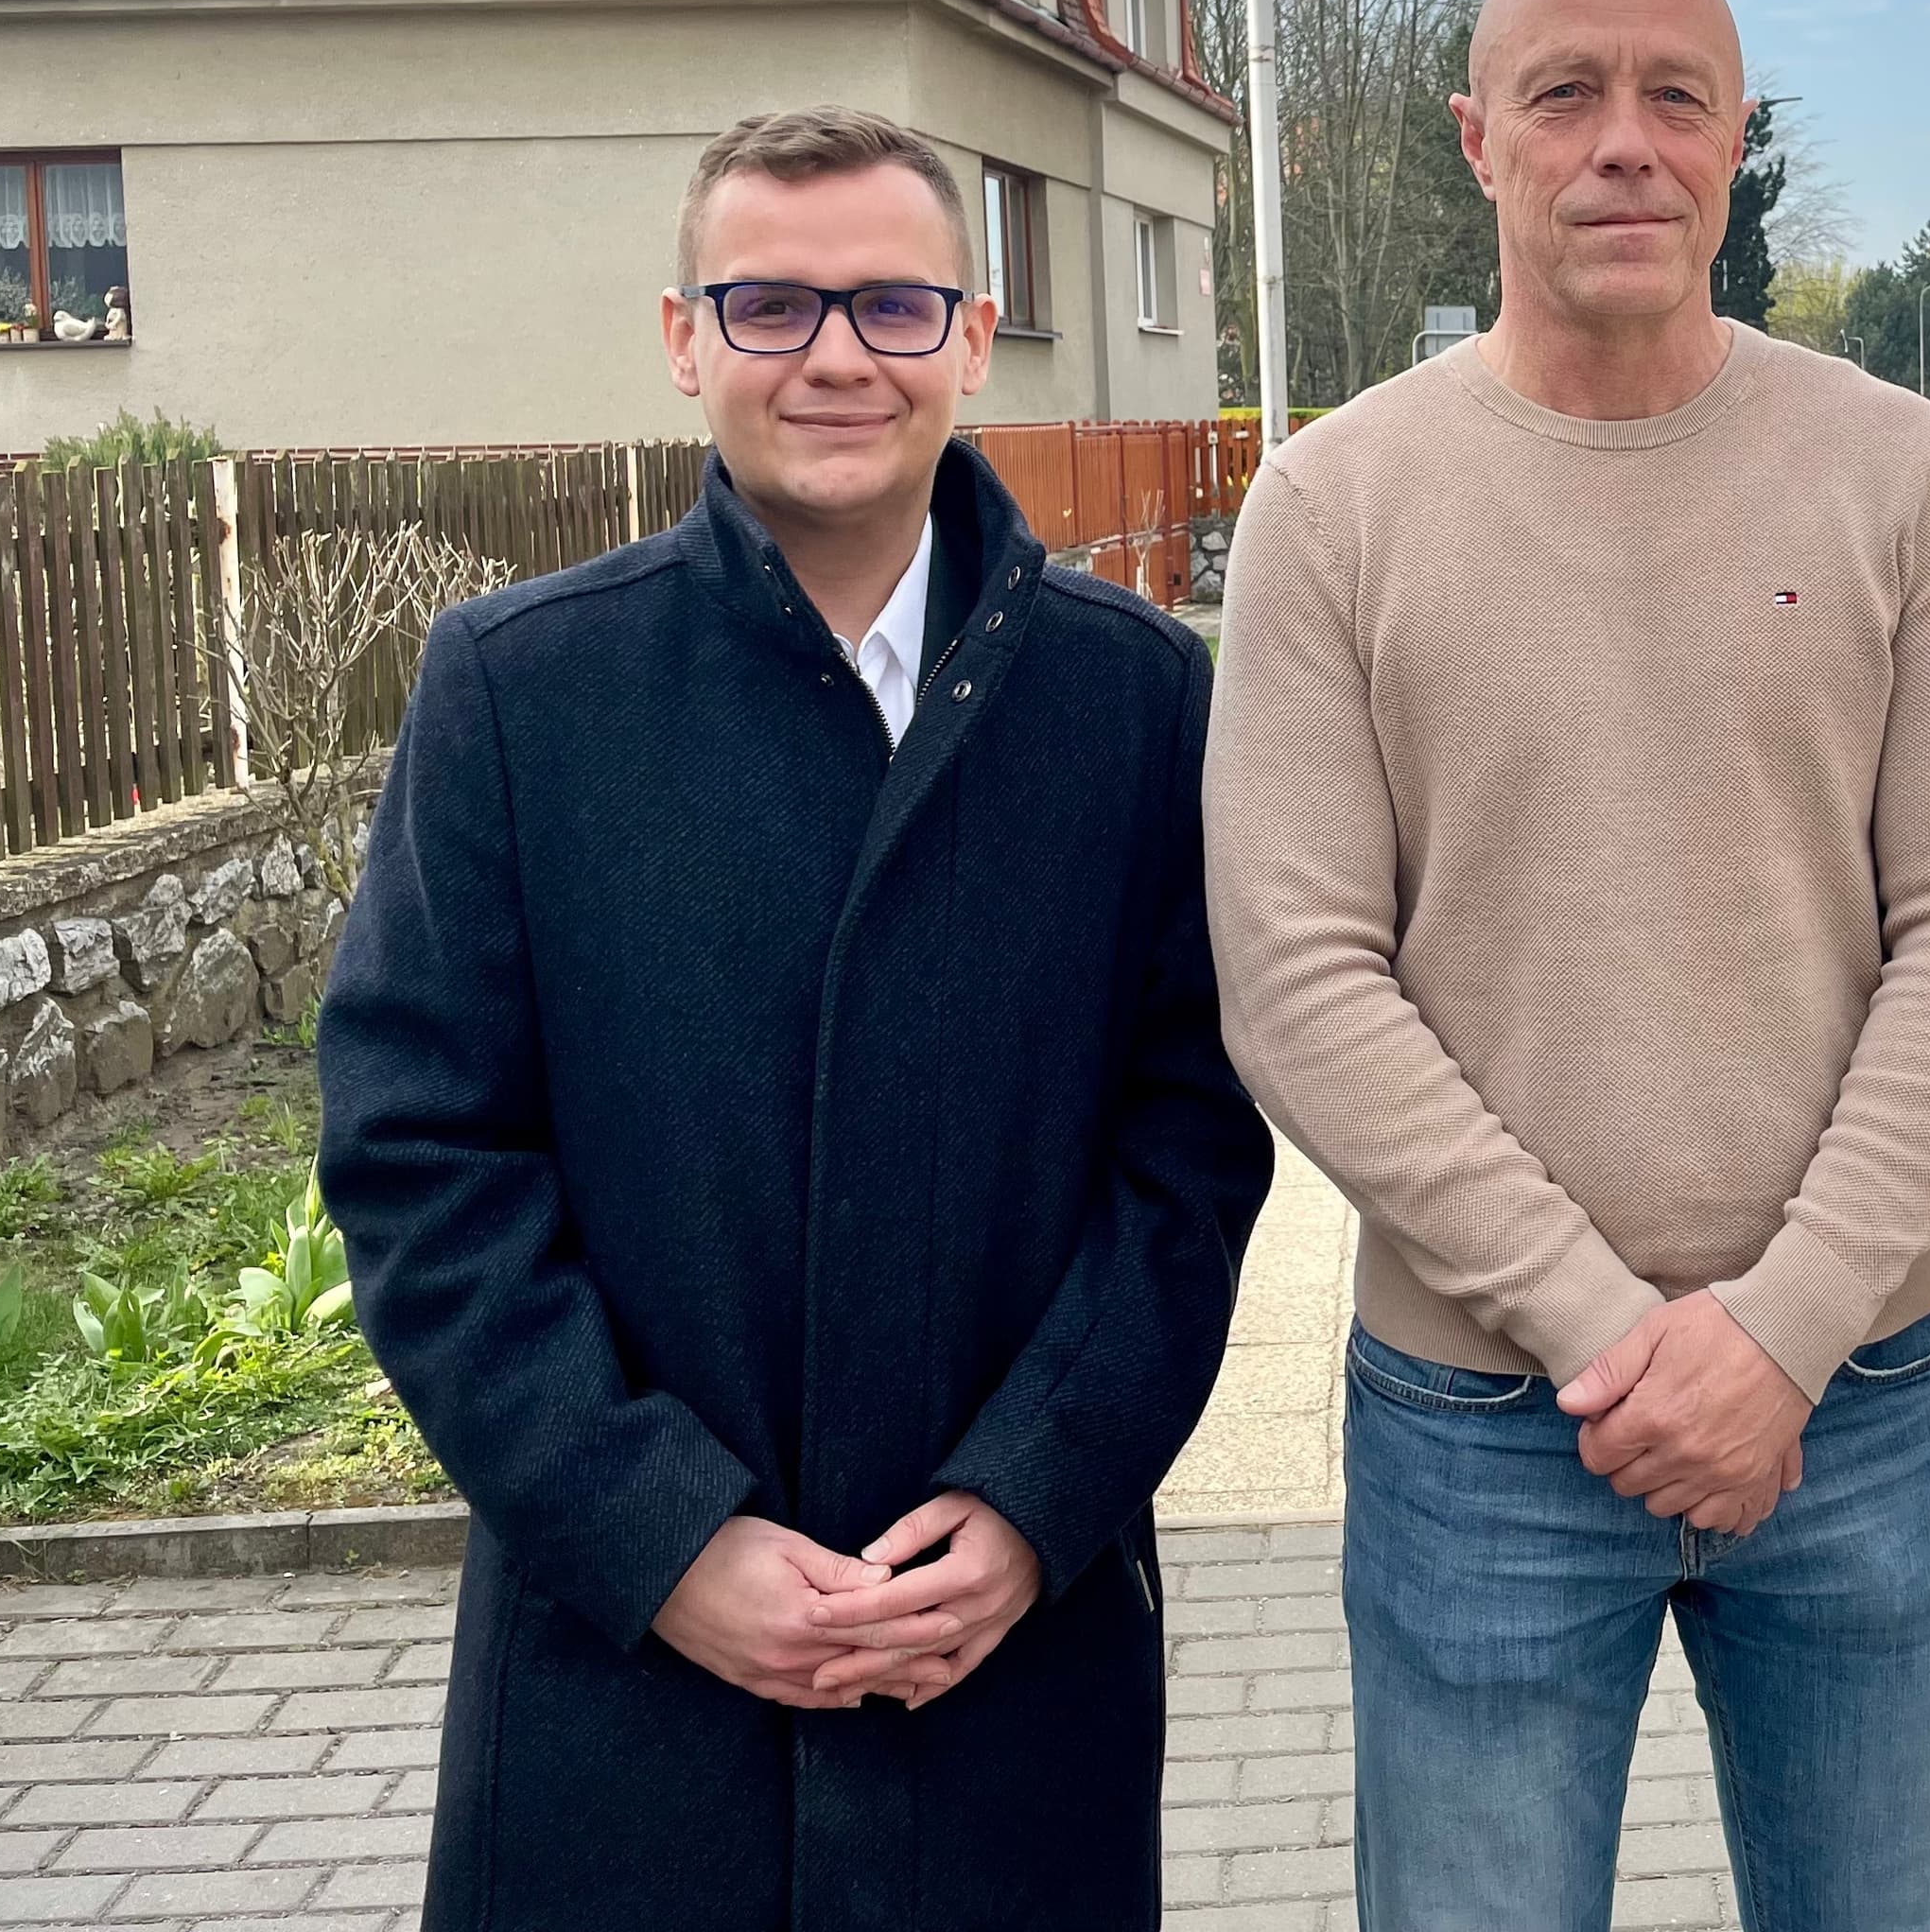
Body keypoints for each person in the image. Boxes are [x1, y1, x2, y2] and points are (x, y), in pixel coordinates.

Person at [320, 107, 1272, 1932]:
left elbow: (1193, 1144)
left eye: (893, 306)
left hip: (1005, 1663)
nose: (837, 356)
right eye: (770, 305)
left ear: (973, 341)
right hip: (630, 1689)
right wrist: (657, 1535)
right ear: (685, 340)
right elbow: (421, 1158)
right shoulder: (523, 692)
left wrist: (1037, 1497)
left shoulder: (1133, 701)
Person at [1204, 0, 1930, 1932]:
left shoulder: (1903, 477)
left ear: (1738, 141)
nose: (1624, 145)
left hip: (1860, 1393)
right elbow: (1301, 982)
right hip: (1480, 1421)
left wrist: (1784, 1330)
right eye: (1566, 95)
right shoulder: (1332, 507)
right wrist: (1607, 1332)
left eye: (1678, 98)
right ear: (1477, 138)